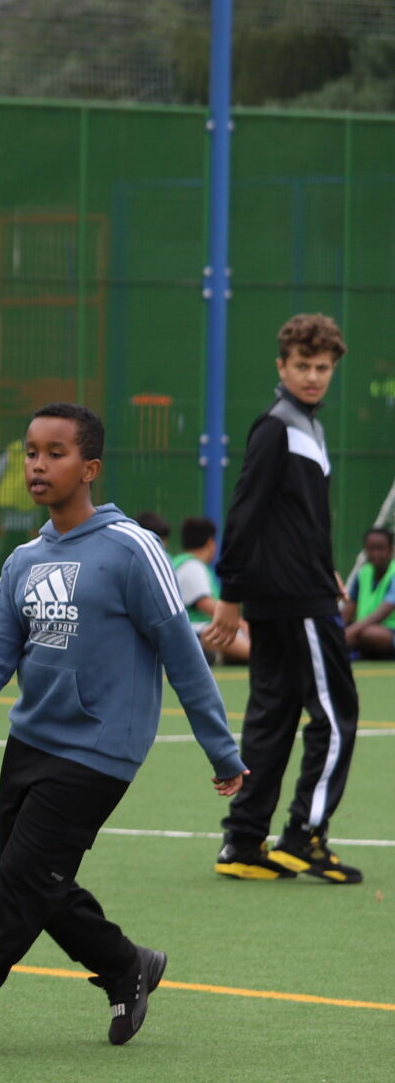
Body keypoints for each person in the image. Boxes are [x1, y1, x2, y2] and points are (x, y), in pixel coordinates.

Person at [0, 404, 244, 1056]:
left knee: (19, 884)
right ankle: (127, 965)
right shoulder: (23, 560)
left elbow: (182, 652)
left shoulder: (132, 549)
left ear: (89, 468)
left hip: (100, 749)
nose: (38, 463)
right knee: (38, 882)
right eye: (32, 451)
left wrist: (221, 749)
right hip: (31, 739)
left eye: (55, 452)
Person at [205, 313, 360, 884]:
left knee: (272, 719)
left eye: (322, 368)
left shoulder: (307, 427)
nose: (314, 377)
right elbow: (245, 511)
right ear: (282, 366)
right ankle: (304, 836)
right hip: (294, 602)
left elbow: (299, 521)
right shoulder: (277, 427)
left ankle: (243, 843)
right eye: (303, 366)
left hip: (300, 590)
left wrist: (330, 571)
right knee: (337, 717)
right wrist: (229, 594)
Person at [167, 515, 245, 663]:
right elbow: (205, 604)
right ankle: (261, 656)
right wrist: (241, 623)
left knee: (225, 633)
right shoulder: (192, 566)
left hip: (190, 632)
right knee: (219, 633)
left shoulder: (182, 563)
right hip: (192, 631)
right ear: (210, 543)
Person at [346, 526, 395, 660]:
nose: (375, 554)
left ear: (391, 550)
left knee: (369, 634)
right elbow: (348, 611)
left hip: (386, 633)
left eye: (380, 549)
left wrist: (351, 631)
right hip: (363, 629)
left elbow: (383, 612)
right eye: (371, 549)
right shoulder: (363, 574)